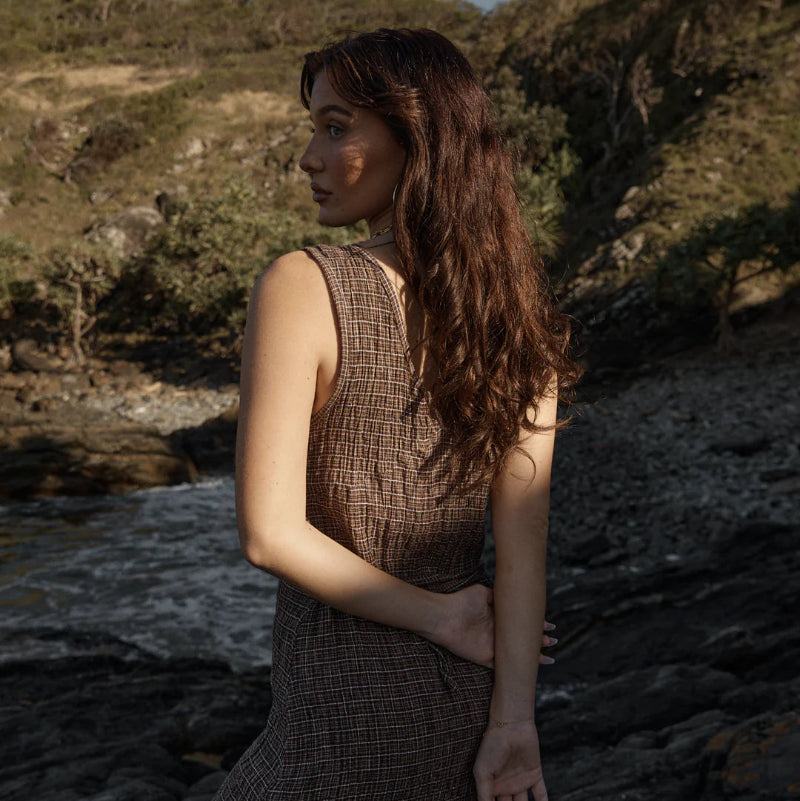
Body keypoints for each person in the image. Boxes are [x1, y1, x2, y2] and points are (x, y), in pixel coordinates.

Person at [214, 28, 580, 801]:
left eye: (337, 126)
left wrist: (441, 617)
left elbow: (267, 533)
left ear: (416, 137)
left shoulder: (304, 284)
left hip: (342, 714)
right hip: (467, 718)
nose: (310, 157)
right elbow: (523, 553)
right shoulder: (521, 319)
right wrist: (516, 726)